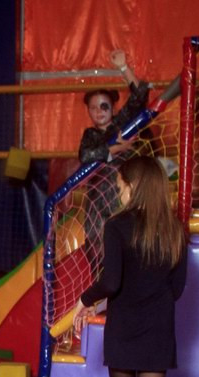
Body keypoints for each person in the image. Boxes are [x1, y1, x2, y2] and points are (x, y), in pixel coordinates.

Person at [73, 156, 187, 377]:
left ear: (133, 187)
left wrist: (84, 300)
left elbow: (112, 282)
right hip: (158, 327)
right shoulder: (175, 229)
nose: (118, 193)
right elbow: (177, 289)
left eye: (120, 186)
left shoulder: (117, 225)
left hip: (124, 325)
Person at [79, 50, 152, 252]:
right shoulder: (90, 135)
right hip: (98, 199)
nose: (99, 111)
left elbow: (140, 96)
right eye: (93, 108)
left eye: (104, 106)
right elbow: (85, 155)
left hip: (124, 194)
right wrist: (116, 148)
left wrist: (123, 67)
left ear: (112, 107)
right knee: (96, 244)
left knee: (127, 240)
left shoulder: (121, 124)